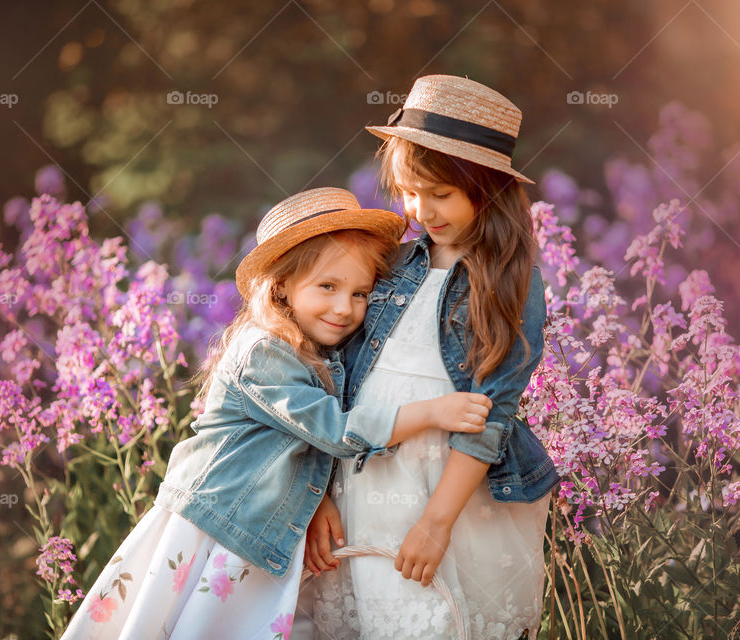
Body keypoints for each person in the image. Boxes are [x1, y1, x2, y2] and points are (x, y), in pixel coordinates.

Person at [59, 187, 493, 640]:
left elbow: (293, 440)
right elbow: (334, 430)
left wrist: (318, 496)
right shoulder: (264, 351)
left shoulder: (319, 351)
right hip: (221, 531)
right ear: (282, 284)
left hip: (252, 532)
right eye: (328, 286)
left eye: (360, 292)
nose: (345, 308)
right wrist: (432, 412)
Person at [306, 76, 560, 640]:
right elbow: (334, 382)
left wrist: (437, 523)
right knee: (372, 617)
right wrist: (318, 494)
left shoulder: (511, 283)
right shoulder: (390, 263)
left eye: (439, 194)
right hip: (365, 480)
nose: (421, 209)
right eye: (408, 191)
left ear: (487, 187)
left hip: (454, 495)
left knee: (435, 620)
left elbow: (492, 412)